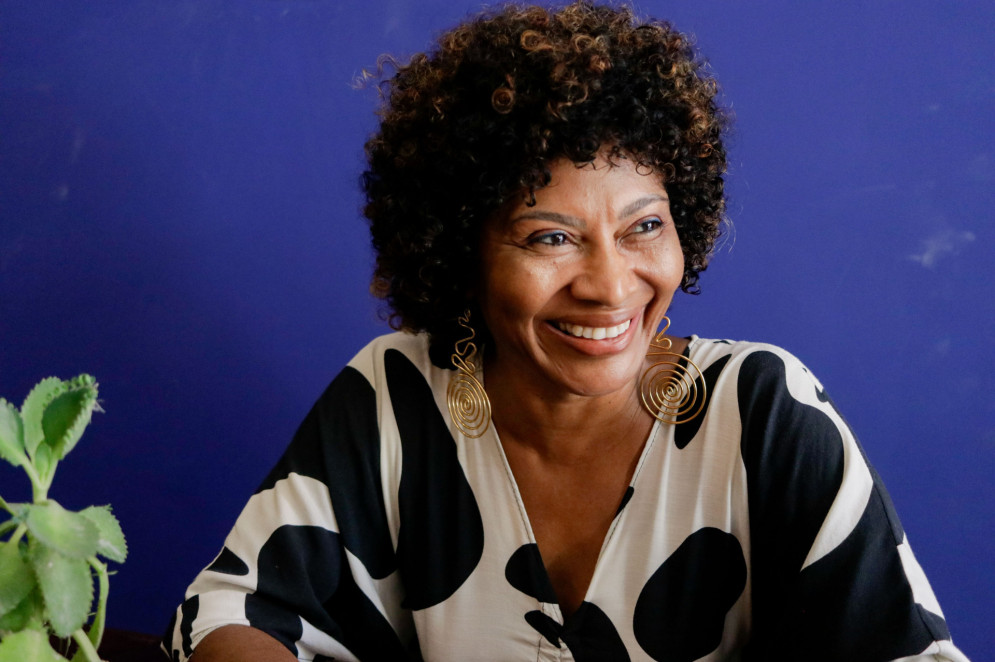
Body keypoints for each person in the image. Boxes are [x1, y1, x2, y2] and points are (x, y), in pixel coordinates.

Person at [163, 3, 969, 661]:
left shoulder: (760, 413)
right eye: (550, 237)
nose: (610, 285)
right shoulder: (397, 396)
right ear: (461, 251)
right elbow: (229, 615)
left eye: (643, 226)